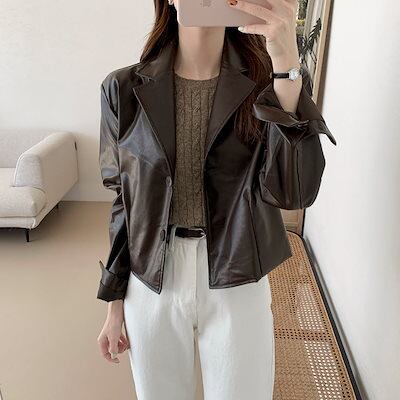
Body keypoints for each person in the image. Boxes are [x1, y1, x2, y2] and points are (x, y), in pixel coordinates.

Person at [96, 0, 337, 399]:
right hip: (152, 277)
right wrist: (114, 300)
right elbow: (124, 202)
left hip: (239, 272)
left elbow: (294, 193)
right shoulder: (121, 89)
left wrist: (287, 67)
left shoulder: (270, 84)